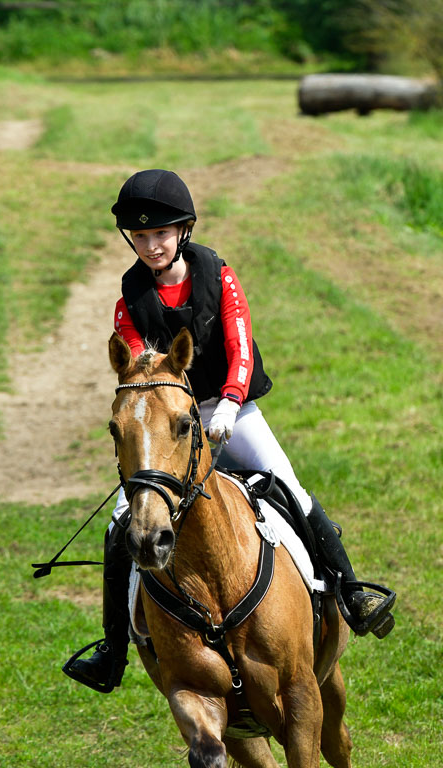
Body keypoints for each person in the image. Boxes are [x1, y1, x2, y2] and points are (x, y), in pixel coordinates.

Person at [63, 169, 396, 694]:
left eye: (161, 234)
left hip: (228, 409)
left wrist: (230, 404)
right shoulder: (129, 302)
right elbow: (138, 372)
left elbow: (240, 347)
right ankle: (114, 649)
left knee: (291, 489)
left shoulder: (219, 276)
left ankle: (351, 592)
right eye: (141, 236)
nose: (151, 245)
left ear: (185, 231)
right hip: (172, 422)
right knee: (120, 524)